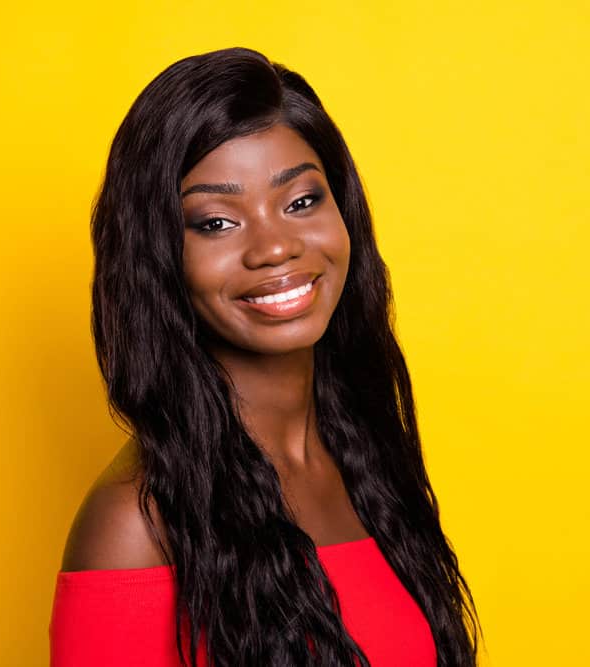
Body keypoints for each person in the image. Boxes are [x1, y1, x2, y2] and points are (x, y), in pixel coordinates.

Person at [49, 47, 481, 667]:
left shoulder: (367, 460)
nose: (275, 247)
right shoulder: (134, 526)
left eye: (301, 201)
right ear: (157, 256)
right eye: (216, 223)